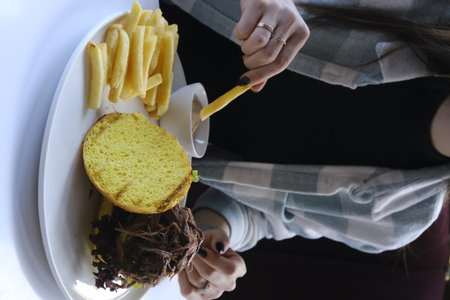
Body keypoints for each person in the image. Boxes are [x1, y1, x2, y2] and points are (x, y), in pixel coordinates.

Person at [159, 0, 450, 299]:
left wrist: (215, 234)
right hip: (133, 16)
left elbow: (262, 213)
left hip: (143, 136)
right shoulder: (426, 10)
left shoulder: (399, 219)